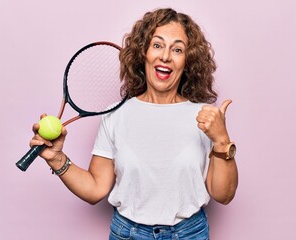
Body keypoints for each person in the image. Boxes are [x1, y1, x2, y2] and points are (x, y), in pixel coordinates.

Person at [30, 8, 238, 240]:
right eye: (157, 45)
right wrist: (57, 159)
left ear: (187, 61)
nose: (166, 56)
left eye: (177, 49)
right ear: (143, 53)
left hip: (190, 234)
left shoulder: (205, 118)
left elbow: (223, 195)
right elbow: (95, 188)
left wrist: (222, 140)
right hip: (127, 234)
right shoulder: (115, 115)